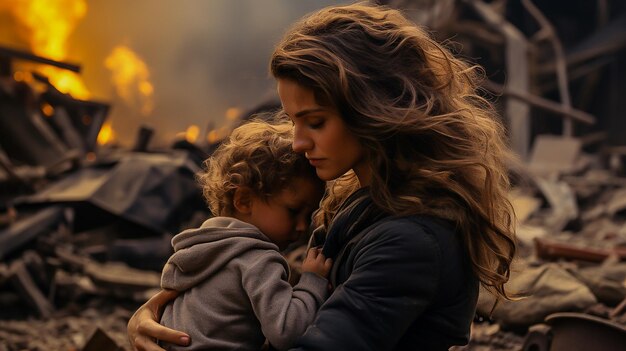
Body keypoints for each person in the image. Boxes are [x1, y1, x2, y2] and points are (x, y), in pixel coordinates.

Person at [127, 3, 517, 350]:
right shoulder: (360, 204)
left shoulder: (411, 241)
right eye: (294, 121)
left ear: (373, 110)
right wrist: (160, 314)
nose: (297, 143)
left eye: (315, 122)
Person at [155, 120, 331, 350]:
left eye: (309, 215)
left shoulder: (194, 249)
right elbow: (287, 331)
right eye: (294, 211)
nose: (301, 226)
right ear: (244, 200)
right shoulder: (257, 259)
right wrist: (312, 282)